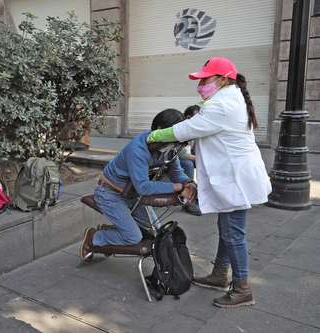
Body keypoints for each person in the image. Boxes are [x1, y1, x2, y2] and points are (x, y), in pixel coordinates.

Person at [147, 57, 271, 308]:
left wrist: (154, 135)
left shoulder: (222, 105)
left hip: (235, 180)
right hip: (236, 177)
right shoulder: (231, 98)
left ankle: (242, 288)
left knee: (233, 233)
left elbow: (186, 130)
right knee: (228, 230)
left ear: (223, 79)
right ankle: (219, 274)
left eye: (205, 79)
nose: (200, 84)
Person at [80, 109, 197, 260]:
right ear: (160, 131)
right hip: (110, 193)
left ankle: (115, 231)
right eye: (173, 140)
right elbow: (144, 186)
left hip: (132, 194)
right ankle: (94, 237)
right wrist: (179, 187)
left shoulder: (169, 148)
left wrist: (188, 182)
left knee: (155, 231)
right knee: (133, 237)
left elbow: (177, 172)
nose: (175, 146)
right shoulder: (138, 149)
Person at [179, 105, 201, 216]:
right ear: (188, 117)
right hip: (175, 158)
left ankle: (203, 195)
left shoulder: (197, 129)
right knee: (188, 164)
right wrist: (198, 158)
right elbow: (181, 154)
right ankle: (188, 201)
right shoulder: (183, 129)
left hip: (188, 156)